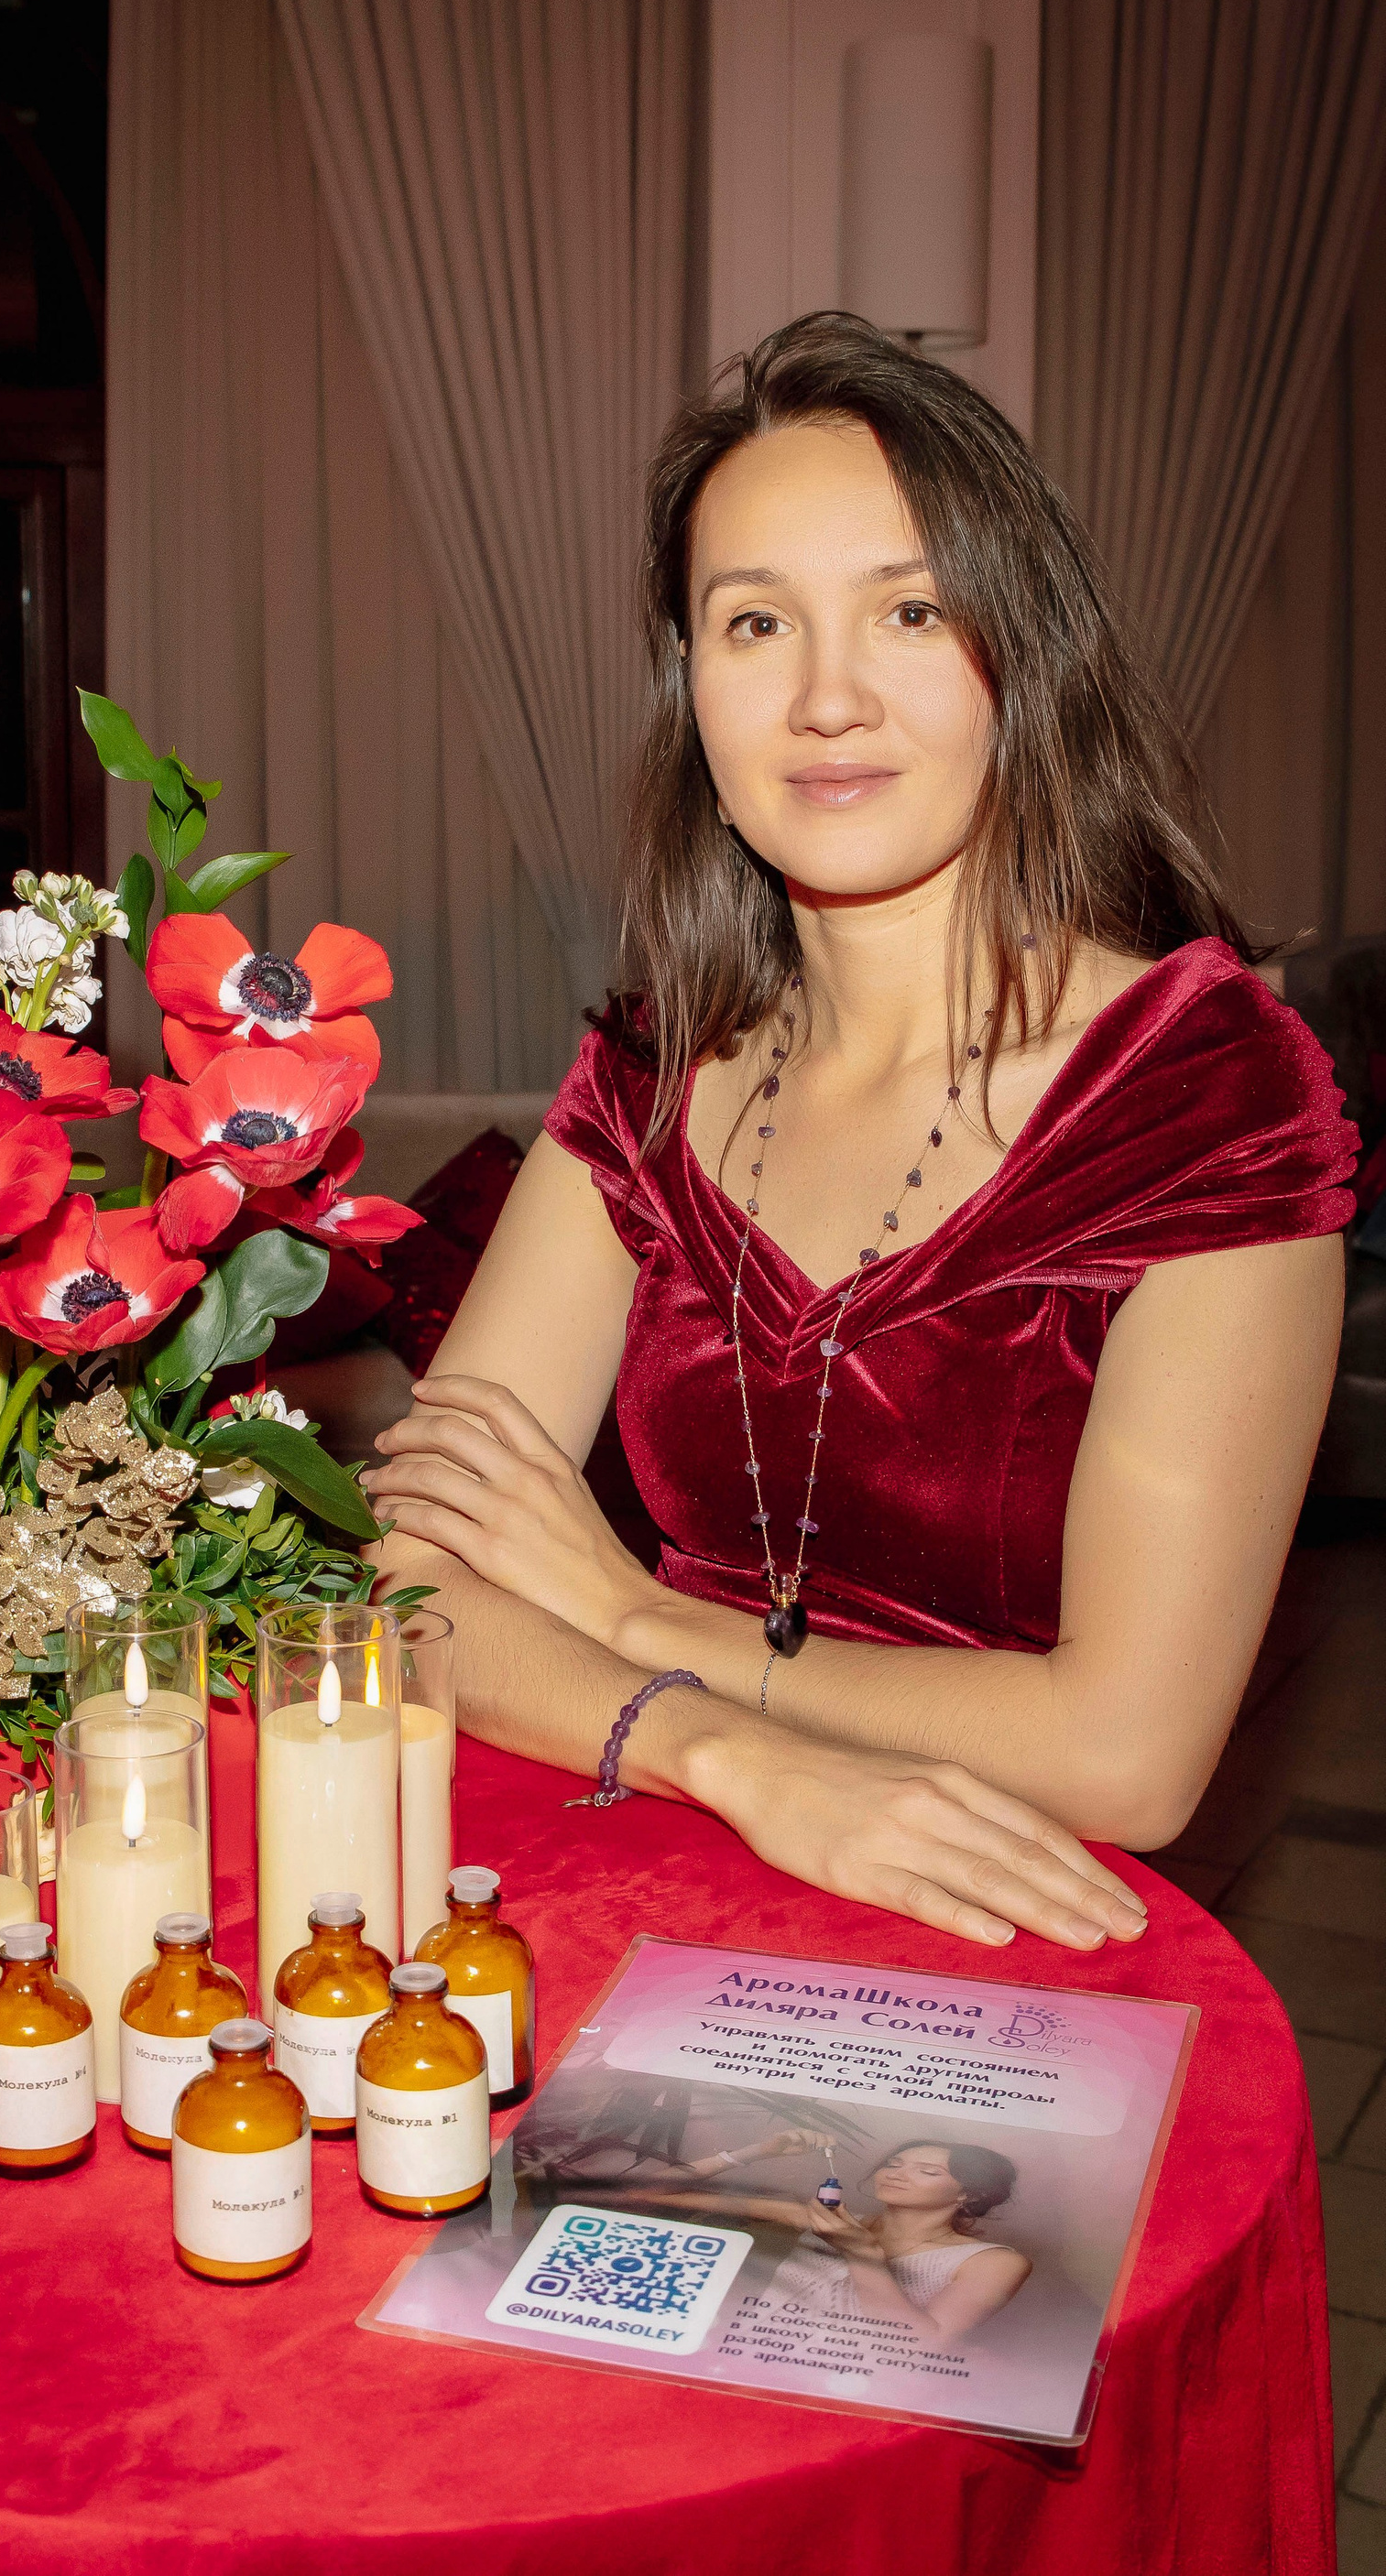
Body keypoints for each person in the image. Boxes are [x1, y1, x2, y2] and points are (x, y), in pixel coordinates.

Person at [365, 311, 1355, 1953]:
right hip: (645, 1865)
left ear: (1024, 658)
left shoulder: (1208, 1102)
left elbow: (1126, 1754)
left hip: (991, 1943)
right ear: (694, 696)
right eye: (756, 624)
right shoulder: (648, 1082)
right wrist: (727, 1751)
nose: (828, 698)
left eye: (910, 610)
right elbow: (409, 1584)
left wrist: (625, 1613)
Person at [643, 2140, 1031, 2352]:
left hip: (851, 2401)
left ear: (970, 2193)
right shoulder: (818, 2218)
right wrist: (754, 2151)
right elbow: (643, 2193)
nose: (897, 2174)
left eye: (927, 2171)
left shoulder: (992, 2262)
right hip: (743, 2362)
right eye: (894, 2164)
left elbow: (924, 2346)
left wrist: (861, 2254)